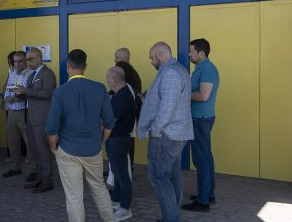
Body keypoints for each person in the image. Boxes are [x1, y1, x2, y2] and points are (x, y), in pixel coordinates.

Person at [46, 50, 117, 222]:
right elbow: (109, 123)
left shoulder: (61, 92)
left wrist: (53, 147)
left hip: (68, 150)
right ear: (85, 67)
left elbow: (52, 128)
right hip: (93, 149)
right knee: (99, 189)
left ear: (68, 67)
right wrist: (101, 142)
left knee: (74, 196)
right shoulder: (100, 89)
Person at [137, 42, 193, 222]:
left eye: (152, 58)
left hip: (166, 135)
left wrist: (156, 130)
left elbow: (167, 109)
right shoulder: (178, 70)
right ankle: (172, 215)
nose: (151, 62)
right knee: (172, 174)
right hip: (175, 134)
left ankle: (170, 218)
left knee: (160, 177)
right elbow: (167, 100)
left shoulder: (170, 73)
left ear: (160, 55)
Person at [183, 38, 220, 212]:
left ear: (201, 53)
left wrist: (182, 95)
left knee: (201, 160)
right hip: (200, 118)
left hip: (201, 119)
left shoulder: (208, 70)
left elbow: (204, 95)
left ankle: (203, 201)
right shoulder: (200, 68)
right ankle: (208, 194)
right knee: (206, 157)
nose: (189, 54)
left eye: (191, 52)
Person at [15, 48, 57, 193]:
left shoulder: (48, 73)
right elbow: (31, 95)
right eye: (27, 59)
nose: (27, 62)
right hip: (32, 117)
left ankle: (47, 180)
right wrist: (19, 93)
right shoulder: (32, 75)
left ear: (39, 58)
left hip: (42, 118)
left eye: (30, 59)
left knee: (43, 150)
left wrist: (27, 91)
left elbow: (48, 93)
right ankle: (39, 177)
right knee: (35, 150)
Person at [105, 66, 138, 221]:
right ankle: (117, 199)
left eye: (108, 78)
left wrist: (102, 139)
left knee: (122, 175)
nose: (107, 82)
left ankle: (125, 207)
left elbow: (110, 121)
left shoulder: (122, 96)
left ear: (114, 79)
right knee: (118, 173)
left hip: (118, 140)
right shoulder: (122, 93)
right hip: (119, 139)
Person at [1, 51, 35, 180]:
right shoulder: (12, 73)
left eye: (20, 61)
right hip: (11, 111)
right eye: (15, 61)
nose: (17, 64)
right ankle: (15, 167)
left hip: (24, 112)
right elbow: (7, 89)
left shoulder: (31, 74)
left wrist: (20, 97)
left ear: (26, 61)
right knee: (12, 142)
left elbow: (32, 93)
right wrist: (7, 98)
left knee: (29, 143)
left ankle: (34, 170)